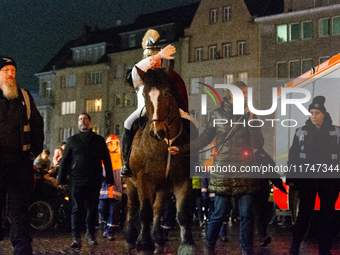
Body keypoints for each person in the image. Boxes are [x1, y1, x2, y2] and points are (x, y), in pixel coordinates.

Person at [169, 81, 264, 255]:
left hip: (245, 171)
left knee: (247, 214)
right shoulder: (218, 114)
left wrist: (251, 122)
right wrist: (181, 149)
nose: (244, 97)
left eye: (245, 94)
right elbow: (202, 140)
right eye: (241, 93)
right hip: (223, 171)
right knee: (219, 213)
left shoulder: (250, 116)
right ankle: (210, 245)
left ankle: (246, 249)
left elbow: (259, 143)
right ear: (230, 95)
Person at [0, 56, 44, 254]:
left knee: (20, 215)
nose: (10, 74)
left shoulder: (24, 97)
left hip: (19, 165)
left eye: (13, 71)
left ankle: (23, 250)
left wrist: (34, 151)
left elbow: (37, 125)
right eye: (6, 70)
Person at [287, 96, 340, 255]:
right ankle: (295, 246)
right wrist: (291, 178)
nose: (314, 115)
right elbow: (294, 156)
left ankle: (324, 249)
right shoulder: (301, 131)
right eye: (311, 112)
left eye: (317, 112)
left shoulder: (336, 132)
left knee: (328, 217)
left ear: (324, 114)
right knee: (304, 214)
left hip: (329, 181)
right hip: (307, 181)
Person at [58, 113, 114, 248]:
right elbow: (64, 161)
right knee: (76, 209)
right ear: (78, 123)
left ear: (90, 122)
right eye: (80, 119)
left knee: (92, 209)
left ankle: (90, 234)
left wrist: (110, 179)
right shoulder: (72, 140)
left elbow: (106, 159)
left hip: (94, 180)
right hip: (76, 180)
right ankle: (76, 237)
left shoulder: (99, 140)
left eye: (85, 119)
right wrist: (61, 180)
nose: (82, 121)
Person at [99, 134, 124, 241]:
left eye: (114, 144)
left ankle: (110, 233)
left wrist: (125, 190)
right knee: (102, 210)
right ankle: (106, 228)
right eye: (110, 144)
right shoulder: (101, 158)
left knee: (114, 214)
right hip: (103, 191)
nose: (113, 146)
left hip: (117, 191)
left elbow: (125, 176)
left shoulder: (121, 158)